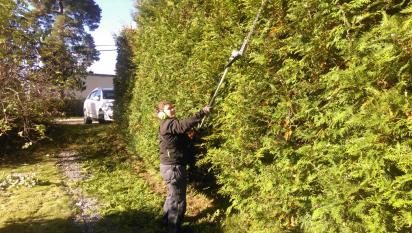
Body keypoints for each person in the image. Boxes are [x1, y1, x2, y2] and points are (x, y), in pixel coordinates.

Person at [157, 100, 210, 233]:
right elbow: (182, 125)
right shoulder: (168, 123)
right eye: (169, 109)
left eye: (173, 108)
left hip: (168, 167)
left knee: (172, 195)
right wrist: (201, 113)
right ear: (162, 112)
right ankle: (174, 228)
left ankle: (165, 221)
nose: (172, 110)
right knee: (178, 199)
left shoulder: (168, 125)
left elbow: (180, 138)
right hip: (173, 168)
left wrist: (191, 136)